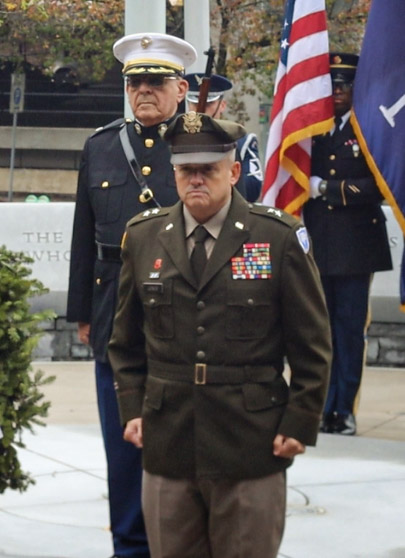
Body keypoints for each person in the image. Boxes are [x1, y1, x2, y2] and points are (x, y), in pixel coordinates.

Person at [109, 111, 331, 558]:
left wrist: (300, 422)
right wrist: (132, 408)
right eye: (186, 169)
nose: (196, 179)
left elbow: (312, 345)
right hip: (168, 440)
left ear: (232, 172)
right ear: (174, 172)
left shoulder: (278, 238)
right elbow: (125, 341)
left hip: (250, 442)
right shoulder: (144, 236)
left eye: (208, 169)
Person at [66, 32, 196, 558]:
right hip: (112, 308)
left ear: (181, 88)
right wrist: (81, 311)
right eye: (135, 82)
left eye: (156, 81)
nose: (144, 91)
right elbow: (83, 235)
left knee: (179, 438)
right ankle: (130, 544)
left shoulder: (201, 146)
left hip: (181, 309)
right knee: (121, 442)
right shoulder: (100, 146)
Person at [303, 52, 393, 436]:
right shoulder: (311, 128)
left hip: (356, 246)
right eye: (332, 85)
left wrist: (327, 188)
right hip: (319, 242)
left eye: (344, 85)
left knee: (350, 330)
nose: (337, 91)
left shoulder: (370, 129)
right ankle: (323, 406)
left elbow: (381, 184)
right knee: (320, 331)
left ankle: (344, 408)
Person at [185, 72, 263, 201]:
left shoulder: (241, 141)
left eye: (209, 104)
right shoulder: (178, 140)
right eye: (194, 103)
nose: (200, 108)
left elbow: (252, 189)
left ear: (222, 105)